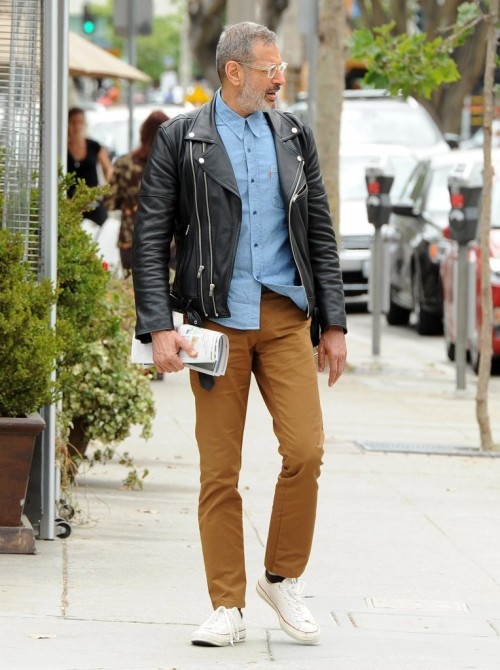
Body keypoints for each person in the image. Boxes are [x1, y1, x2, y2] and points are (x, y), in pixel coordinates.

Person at [132, 22, 347, 647]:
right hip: (213, 324)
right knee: (219, 472)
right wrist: (157, 327)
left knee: (305, 452)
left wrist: (332, 323)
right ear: (234, 73)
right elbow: (151, 238)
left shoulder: (293, 133)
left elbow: (321, 233)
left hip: (284, 319)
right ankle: (226, 604)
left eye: (279, 68)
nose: (280, 77)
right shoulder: (182, 138)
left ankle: (281, 577)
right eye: (269, 69)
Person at [104, 110, 169, 274]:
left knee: (132, 292)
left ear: (142, 134)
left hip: (131, 236)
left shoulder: (124, 164)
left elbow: (110, 201)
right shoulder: (176, 164)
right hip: (168, 240)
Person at [67, 107, 113, 240]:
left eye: (80, 122)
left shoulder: (94, 146)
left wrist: (109, 186)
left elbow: (108, 169)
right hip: (70, 204)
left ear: (85, 125)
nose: (77, 126)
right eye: (73, 122)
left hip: (93, 201)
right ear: (68, 125)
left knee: (104, 233)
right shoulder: (61, 147)